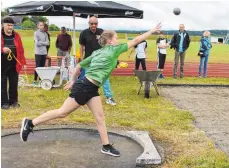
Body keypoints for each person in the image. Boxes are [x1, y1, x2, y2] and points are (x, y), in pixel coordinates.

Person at [20, 23, 161, 157]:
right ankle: (30, 123)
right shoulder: (114, 49)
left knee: (100, 117)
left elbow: (79, 65)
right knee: (62, 113)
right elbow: (137, 39)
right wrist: (151, 31)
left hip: (90, 87)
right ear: (110, 41)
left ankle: (106, 146)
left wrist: (74, 80)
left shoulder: (96, 52)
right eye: (116, 38)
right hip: (86, 86)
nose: (118, 40)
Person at [79, 16, 116, 106]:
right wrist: (81, 58)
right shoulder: (83, 33)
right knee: (88, 79)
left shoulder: (102, 32)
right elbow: (81, 47)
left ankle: (109, 97)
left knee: (105, 79)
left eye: (95, 24)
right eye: (92, 24)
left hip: (101, 60)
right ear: (89, 24)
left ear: (97, 24)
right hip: (89, 60)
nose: (94, 25)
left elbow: (108, 43)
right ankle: (85, 97)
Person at [1, 17, 26, 109]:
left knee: (14, 83)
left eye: (12, 25)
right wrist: (2, 49)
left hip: (14, 63)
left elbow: (21, 50)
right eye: (8, 25)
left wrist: (23, 62)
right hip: (2, 64)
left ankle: (13, 102)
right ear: (3, 25)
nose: (10, 27)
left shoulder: (16, 35)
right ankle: (4, 103)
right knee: (2, 84)